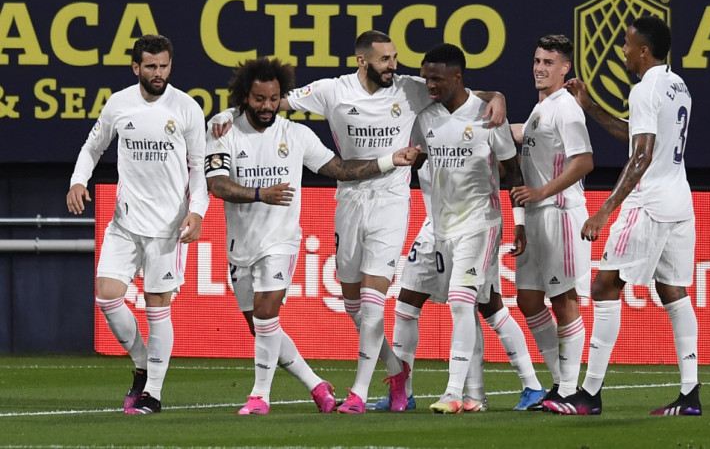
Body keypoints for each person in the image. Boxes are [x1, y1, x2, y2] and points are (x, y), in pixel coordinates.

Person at [210, 30, 506, 414]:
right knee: (353, 304)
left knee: (372, 302)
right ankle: (397, 372)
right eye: (385, 59)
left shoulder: (409, 89)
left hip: (392, 201)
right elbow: (272, 100)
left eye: (394, 57)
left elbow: (461, 93)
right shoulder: (332, 91)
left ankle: (359, 393)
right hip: (349, 200)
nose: (393, 65)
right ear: (362, 61)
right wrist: (226, 114)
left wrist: (497, 97)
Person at [204, 58, 420, 415]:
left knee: (266, 313)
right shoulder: (222, 130)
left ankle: (260, 396)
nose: (268, 106)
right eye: (259, 99)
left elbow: (340, 169)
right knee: (261, 327)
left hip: (282, 240)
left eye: (274, 99)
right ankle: (317, 385)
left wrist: (388, 161)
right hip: (240, 245)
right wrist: (259, 193)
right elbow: (217, 185)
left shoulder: (296, 135)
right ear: (244, 97)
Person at [544, 16, 701, 416]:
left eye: (628, 45)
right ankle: (690, 394)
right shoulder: (677, 85)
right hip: (679, 201)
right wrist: (591, 107)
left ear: (644, 51)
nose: (624, 51)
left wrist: (604, 211)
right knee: (673, 292)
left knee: (604, 288)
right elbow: (637, 135)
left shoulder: (644, 89)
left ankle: (589, 394)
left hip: (648, 204)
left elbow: (641, 156)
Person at [66, 34, 209, 414]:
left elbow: (199, 169)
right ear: (136, 67)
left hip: (168, 228)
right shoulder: (119, 103)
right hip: (125, 222)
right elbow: (92, 147)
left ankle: (153, 394)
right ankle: (144, 365)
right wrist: (78, 181)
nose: (158, 73)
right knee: (107, 296)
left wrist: (197, 211)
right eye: (151, 66)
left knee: (156, 304)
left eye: (164, 66)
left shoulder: (187, 108)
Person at [410, 43, 529, 414]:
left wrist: (520, 224)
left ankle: (453, 393)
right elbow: (419, 160)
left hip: (481, 222)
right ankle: (491, 393)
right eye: (426, 78)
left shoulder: (487, 117)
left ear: (457, 77)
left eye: (436, 78)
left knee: (461, 302)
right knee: (486, 305)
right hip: (442, 227)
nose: (430, 85)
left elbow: (514, 172)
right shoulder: (425, 117)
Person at [508, 35, 593, 409]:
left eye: (548, 62)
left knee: (564, 300)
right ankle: (560, 381)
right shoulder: (541, 108)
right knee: (527, 299)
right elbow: (522, 135)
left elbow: (584, 161)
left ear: (565, 69)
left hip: (560, 214)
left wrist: (541, 192)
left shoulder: (566, 108)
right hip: (536, 217)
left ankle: (569, 390)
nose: (539, 68)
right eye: (537, 61)